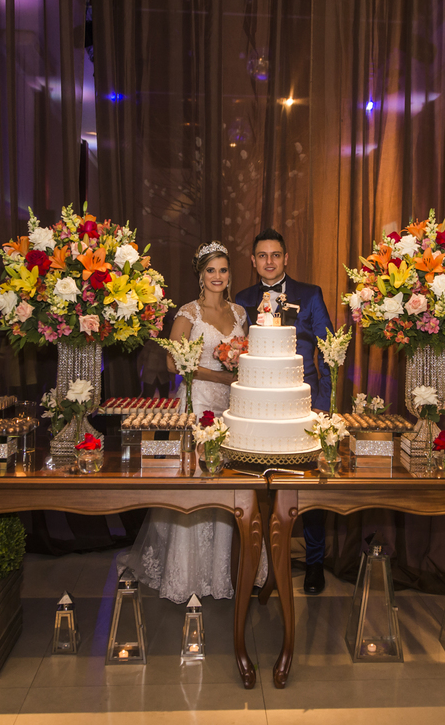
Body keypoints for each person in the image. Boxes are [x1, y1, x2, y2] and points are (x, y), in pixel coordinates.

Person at [119, 242, 266, 601]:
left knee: (231, 482)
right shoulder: (188, 312)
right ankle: (188, 573)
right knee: (198, 480)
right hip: (197, 401)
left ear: (230, 274)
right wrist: (220, 376)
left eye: (223, 270)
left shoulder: (240, 313)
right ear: (201, 275)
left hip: (233, 406)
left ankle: (228, 569)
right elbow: (173, 363)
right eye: (211, 270)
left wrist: (238, 367)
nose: (218, 276)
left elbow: (250, 355)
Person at [235, 228, 334, 595]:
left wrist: (322, 403)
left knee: (309, 488)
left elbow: (329, 350)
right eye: (262, 255)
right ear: (253, 260)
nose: (269, 261)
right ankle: (260, 564)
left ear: (286, 258)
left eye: (275, 255)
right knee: (254, 488)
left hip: (303, 404)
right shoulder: (242, 299)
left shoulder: (310, 294)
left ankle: (314, 562)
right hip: (257, 408)